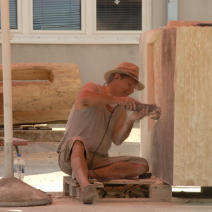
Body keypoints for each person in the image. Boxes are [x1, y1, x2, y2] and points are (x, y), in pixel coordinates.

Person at [57, 62, 160, 204]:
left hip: (99, 161)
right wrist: (119, 100)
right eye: (129, 84)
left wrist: (131, 120)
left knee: (141, 165)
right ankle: (86, 187)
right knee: (78, 142)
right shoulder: (93, 88)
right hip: (70, 155)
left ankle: (87, 174)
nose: (131, 91)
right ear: (117, 77)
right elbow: (84, 98)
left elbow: (117, 139)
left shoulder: (120, 109)